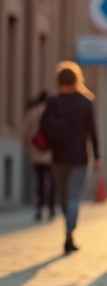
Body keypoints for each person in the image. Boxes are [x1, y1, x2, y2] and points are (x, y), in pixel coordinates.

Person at [40, 62, 100, 253]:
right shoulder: (85, 102)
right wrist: (97, 156)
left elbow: (43, 126)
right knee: (73, 195)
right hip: (80, 157)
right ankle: (70, 232)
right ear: (76, 79)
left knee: (64, 196)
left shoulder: (54, 101)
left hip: (58, 156)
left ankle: (68, 228)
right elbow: (92, 131)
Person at [21, 91, 56, 221]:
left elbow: (24, 133)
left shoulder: (33, 112)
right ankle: (51, 208)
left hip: (36, 152)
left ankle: (39, 208)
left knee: (40, 182)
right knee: (52, 182)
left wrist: (27, 147)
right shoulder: (54, 113)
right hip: (52, 153)